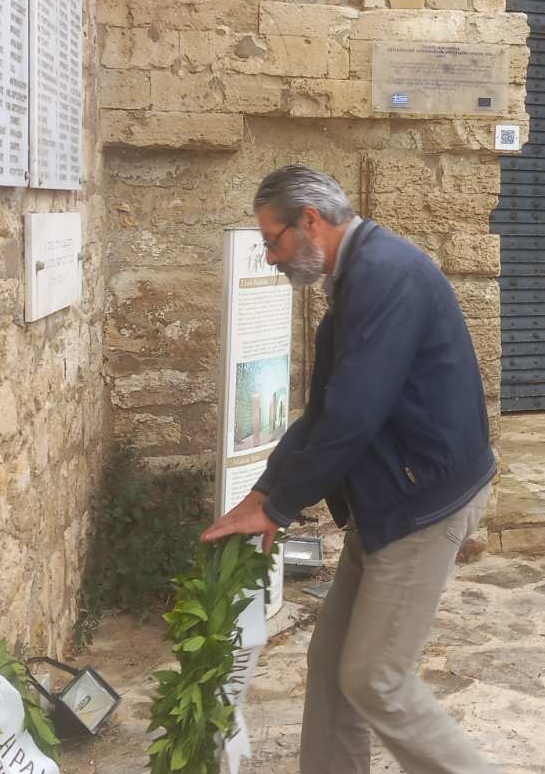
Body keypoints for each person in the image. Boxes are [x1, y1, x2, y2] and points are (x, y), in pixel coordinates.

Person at [203, 165, 497, 774]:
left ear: (310, 221)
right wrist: (265, 493)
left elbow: (353, 415)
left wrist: (280, 505)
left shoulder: (384, 275)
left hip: (422, 503)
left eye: (274, 239)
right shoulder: (359, 274)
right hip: (386, 497)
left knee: (375, 677)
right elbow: (327, 411)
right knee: (333, 666)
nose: (271, 255)